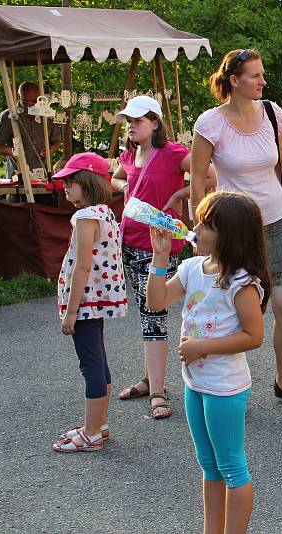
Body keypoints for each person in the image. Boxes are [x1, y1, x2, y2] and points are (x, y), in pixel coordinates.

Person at [190, 48, 282, 410]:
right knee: (235, 311)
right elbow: (197, 177)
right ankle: (223, 385)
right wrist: (200, 225)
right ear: (234, 81)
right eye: (255, 75)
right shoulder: (210, 123)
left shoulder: (273, 114)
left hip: (276, 222)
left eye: (262, 74)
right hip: (234, 229)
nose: (262, 81)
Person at [146, 191, 270, 534]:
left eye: (206, 224)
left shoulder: (242, 283)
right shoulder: (191, 268)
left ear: (229, 235)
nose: (195, 229)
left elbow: (253, 336)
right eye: (198, 221)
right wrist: (160, 258)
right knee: (209, 466)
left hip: (225, 389)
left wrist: (203, 348)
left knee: (231, 467)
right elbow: (156, 301)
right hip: (195, 385)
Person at [111, 95, 216, 420]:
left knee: (153, 315)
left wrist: (179, 194)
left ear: (155, 122)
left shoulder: (173, 152)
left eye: (137, 120)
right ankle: (149, 380)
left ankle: (157, 391)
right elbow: (115, 177)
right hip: (128, 243)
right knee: (146, 315)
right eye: (128, 121)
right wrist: (127, 186)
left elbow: (209, 175)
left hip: (156, 247)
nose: (131, 126)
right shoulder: (130, 154)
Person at [51, 153, 127, 452]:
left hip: (85, 302)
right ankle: (99, 424)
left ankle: (92, 433)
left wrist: (70, 312)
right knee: (99, 362)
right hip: (97, 300)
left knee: (91, 365)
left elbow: (82, 265)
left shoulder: (85, 217)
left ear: (88, 181)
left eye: (71, 181)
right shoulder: (104, 212)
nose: (65, 187)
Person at [0, 82, 61, 180]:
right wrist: (11, 151)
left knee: (44, 194)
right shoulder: (8, 116)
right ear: (19, 97)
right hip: (17, 174)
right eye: (25, 101)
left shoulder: (47, 115)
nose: (29, 105)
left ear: (40, 97)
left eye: (34, 101)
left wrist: (50, 150)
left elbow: (56, 141)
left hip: (42, 172)